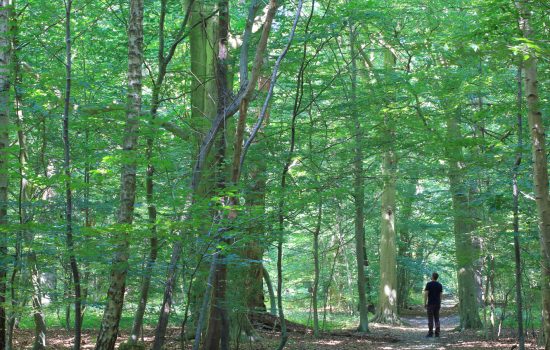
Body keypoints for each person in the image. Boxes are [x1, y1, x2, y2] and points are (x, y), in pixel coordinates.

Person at [423, 272, 443, 337]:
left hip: (430, 304)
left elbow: (426, 294)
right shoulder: (439, 285)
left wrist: (425, 302)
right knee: (437, 318)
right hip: (437, 304)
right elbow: (441, 295)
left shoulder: (428, 284)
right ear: (437, 277)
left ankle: (430, 333)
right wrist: (440, 303)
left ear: (432, 277)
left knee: (430, 318)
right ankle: (437, 333)